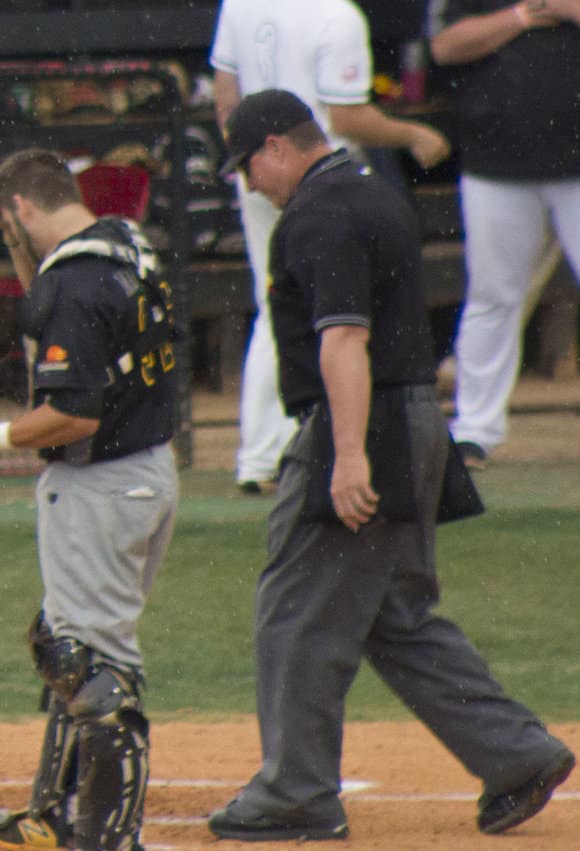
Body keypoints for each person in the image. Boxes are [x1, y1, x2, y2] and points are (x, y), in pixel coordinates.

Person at [207, 90, 573, 842]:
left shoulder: (319, 213)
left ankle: (297, 791)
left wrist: (346, 457)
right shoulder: (373, 193)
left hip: (365, 424)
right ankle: (516, 755)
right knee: (397, 616)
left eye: (249, 165)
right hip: (413, 423)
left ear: (277, 145)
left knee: (296, 611)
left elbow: (345, 338)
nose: (250, 182)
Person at [0, 149, 181, 851]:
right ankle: (55, 810)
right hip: (147, 468)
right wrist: (15, 239)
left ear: (19, 206)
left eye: (5, 217)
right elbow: (45, 310)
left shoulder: (77, 282)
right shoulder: (122, 239)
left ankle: (110, 837)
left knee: (91, 661)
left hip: (102, 479)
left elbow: (73, 414)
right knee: (66, 636)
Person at [211, 0, 452, 491]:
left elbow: (225, 95)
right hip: (322, 185)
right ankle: (305, 447)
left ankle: (261, 453)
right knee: (336, 315)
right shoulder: (337, 12)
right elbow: (343, 118)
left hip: (258, 170)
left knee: (277, 309)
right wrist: (412, 135)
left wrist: (246, 164)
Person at [423, 0, 580, 468]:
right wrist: (521, 14)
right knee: (492, 293)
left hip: (577, 157)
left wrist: (570, 7)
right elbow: (443, 44)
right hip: (498, 159)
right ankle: (477, 429)